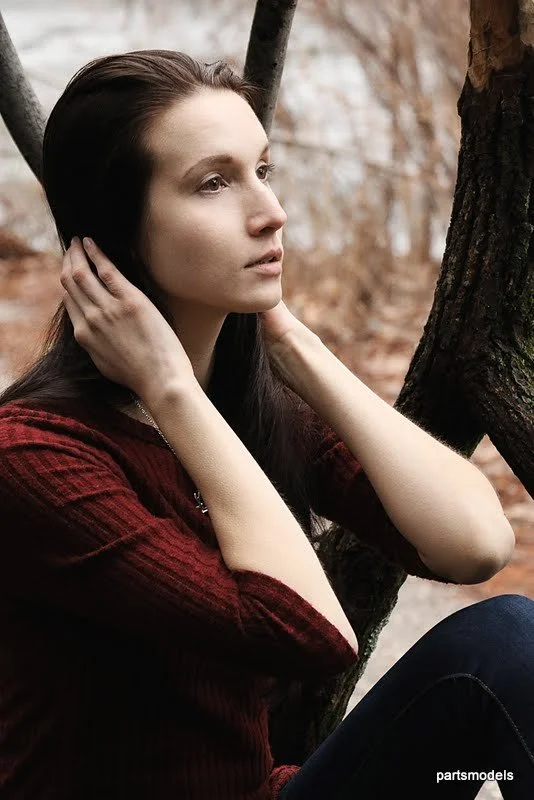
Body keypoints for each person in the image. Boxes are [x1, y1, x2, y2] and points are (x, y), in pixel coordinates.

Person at [0, 49, 530, 800]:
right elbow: (313, 633)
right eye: (213, 183)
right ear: (114, 231)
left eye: (263, 170)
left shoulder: (248, 405)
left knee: (505, 646)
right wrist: (170, 388)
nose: (270, 212)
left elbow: (477, 545)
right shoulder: (34, 457)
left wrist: (293, 342)